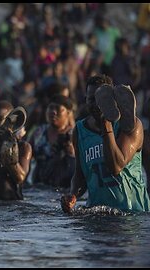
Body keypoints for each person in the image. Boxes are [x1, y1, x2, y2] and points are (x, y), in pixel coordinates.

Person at [61, 75, 150, 213]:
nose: (96, 105)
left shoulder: (131, 126)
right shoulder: (79, 130)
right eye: (91, 100)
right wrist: (73, 195)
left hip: (132, 213)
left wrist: (106, 124)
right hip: (97, 212)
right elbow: (80, 174)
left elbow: (116, 166)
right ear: (85, 100)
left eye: (101, 101)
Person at [0, 101, 32, 200]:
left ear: (12, 122)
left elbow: (21, 178)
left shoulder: (23, 147)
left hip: (11, 204)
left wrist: (11, 161)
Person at [30, 94, 75, 188]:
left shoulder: (75, 134)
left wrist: (71, 152)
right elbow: (27, 155)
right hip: (39, 186)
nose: (53, 112)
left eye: (58, 109)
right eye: (50, 108)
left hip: (65, 186)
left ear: (68, 112)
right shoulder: (39, 132)